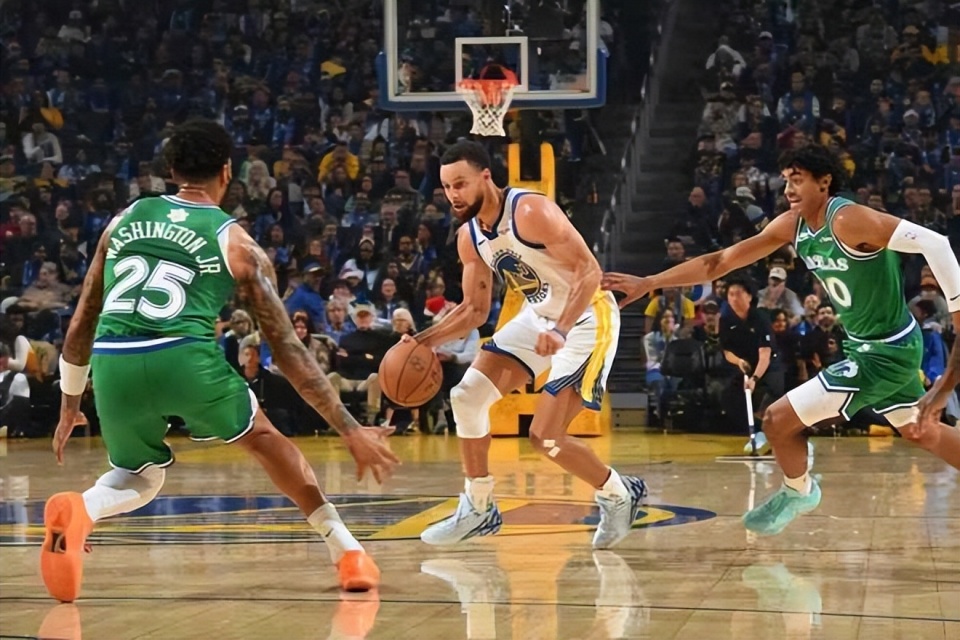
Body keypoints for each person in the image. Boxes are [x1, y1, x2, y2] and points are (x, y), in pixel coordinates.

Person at [43, 120, 399, 603]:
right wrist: (349, 429)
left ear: (171, 171)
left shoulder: (123, 220)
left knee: (139, 475)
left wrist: (69, 403)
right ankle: (347, 551)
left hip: (113, 361)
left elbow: (83, 318)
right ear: (228, 172)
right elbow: (288, 349)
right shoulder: (238, 244)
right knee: (265, 440)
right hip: (183, 357)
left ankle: (83, 508)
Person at [604, 144, 960, 535]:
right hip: (870, 343)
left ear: (824, 182)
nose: (788, 188)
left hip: (884, 351)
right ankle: (799, 488)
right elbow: (720, 262)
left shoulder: (849, 218)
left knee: (775, 420)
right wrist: (651, 282)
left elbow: (936, 243)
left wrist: (957, 309)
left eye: (798, 179)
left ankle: (799, 491)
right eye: (786, 179)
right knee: (922, 430)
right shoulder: (793, 225)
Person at [407, 141, 646, 549]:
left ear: (486, 177)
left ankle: (618, 494)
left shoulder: (530, 211)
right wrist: (420, 343)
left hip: (587, 317)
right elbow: (474, 310)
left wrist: (562, 330)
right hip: (540, 317)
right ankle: (479, 508)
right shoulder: (470, 237)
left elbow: (589, 271)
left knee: (545, 437)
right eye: (446, 187)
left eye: (460, 184)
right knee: (466, 397)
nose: (453, 195)